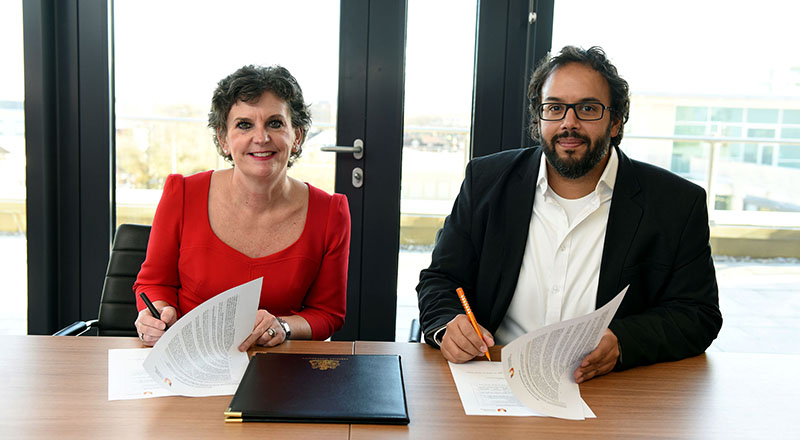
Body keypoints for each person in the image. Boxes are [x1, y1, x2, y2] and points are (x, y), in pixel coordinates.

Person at [417, 46, 722, 383]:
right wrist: (448, 326)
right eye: (555, 108)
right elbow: (441, 280)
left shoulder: (676, 203)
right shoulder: (486, 181)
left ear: (616, 121)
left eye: (588, 109)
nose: (569, 123)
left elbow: (697, 314)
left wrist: (621, 343)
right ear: (539, 118)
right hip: (494, 378)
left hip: (606, 388)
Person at [133, 65, 350, 350]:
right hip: (189, 360)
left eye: (275, 123)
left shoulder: (331, 213)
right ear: (224, 140)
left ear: (296, 136)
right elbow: (155, 283)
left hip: (278, 367)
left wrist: (282, 326)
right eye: (244, 125)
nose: (261, 138)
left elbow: (327, 314)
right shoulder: (182, 193)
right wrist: (155, 315)